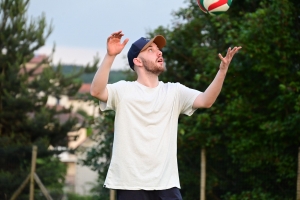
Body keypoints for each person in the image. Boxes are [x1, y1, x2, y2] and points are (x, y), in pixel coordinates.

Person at [90, 30, 242, 200]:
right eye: (151, 50)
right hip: (130, 184)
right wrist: (110, 56)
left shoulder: (174, 91)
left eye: (158, 49)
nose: (159, 52)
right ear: (137, 61)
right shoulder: (124, 90)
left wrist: (222, 70)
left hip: (167, 184)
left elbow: (206, 100)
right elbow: (96, 91)